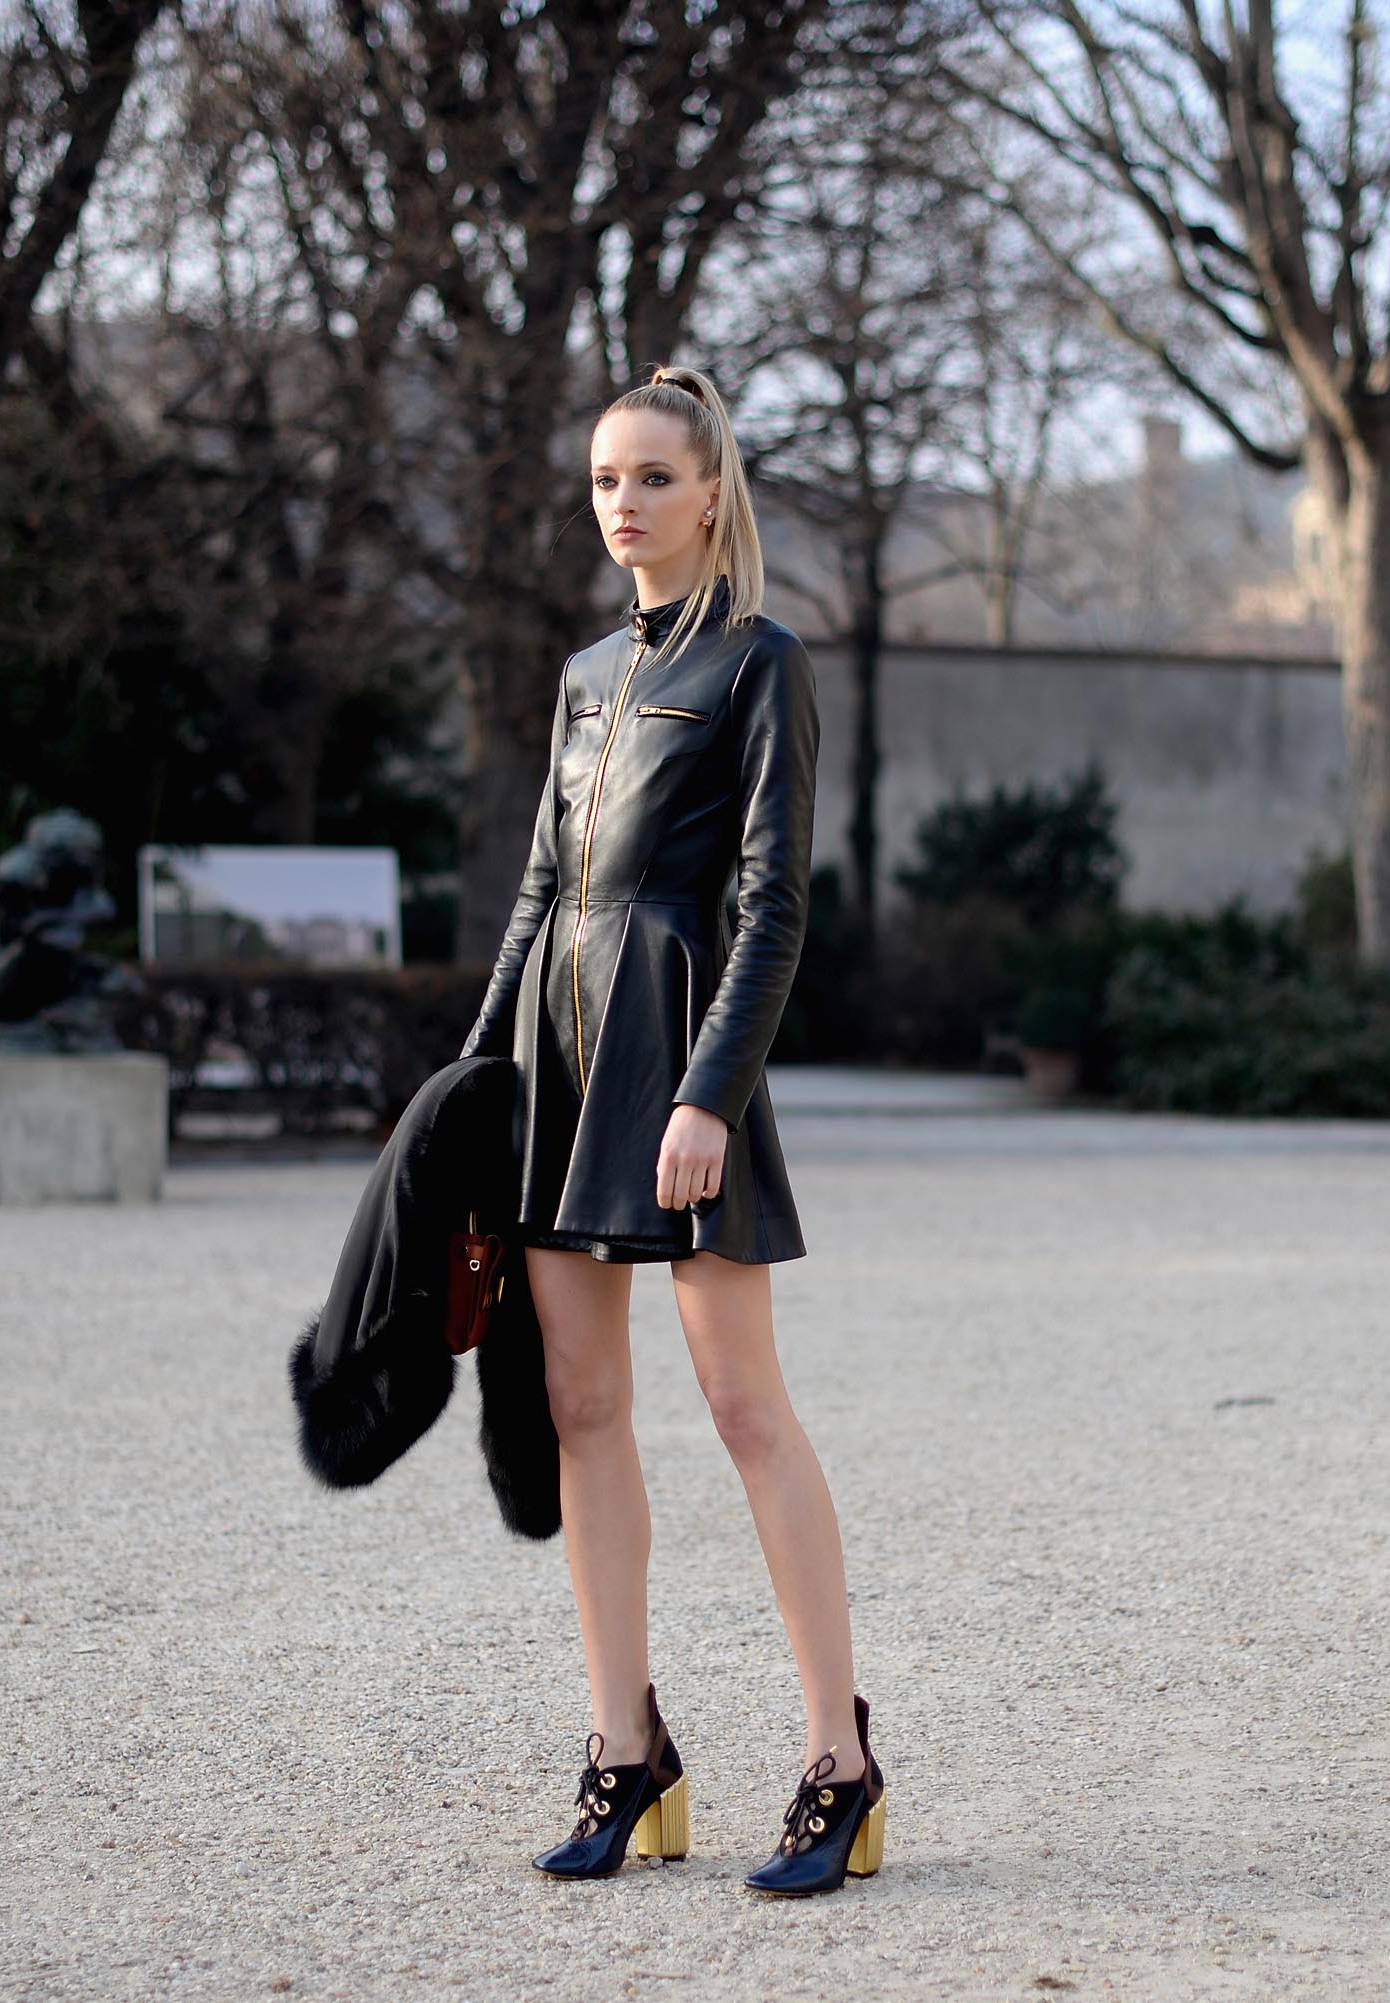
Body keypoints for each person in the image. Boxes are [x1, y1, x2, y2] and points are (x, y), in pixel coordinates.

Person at [456, 363, 885, 1897]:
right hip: (557, 1066)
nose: (621, 504)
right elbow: (537, 892)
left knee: (743, 1411)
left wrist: (710, 1089)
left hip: (678, 1061)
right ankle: (625, 1752)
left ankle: (842, 1762)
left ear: (712, 494)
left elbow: (774, 907)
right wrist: (471, 1085)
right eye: (602, 482)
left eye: (650, 477)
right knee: (581, 1410)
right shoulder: (581, 675)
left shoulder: (766, 666)